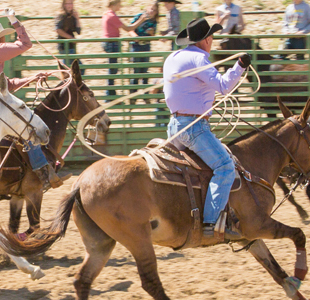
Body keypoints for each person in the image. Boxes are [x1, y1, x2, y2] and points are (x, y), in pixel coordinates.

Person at [163, 18, 250, 237]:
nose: (212, 41)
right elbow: (223, 86)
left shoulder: (173, 57)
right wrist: (239, 66)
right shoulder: (199, 58)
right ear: (207, 39)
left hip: (174, 126)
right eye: (211, 37)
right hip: (194, 128)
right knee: (224, 166)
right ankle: (210, 223)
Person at [0, 8, 68, 189]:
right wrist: (13, 19)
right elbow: (25, 44)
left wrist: (32, 78)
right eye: (4, 36)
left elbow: (7, 84)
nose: (5, 39)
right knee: (26, 124)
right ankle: (44, 172)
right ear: (0, 38)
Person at [101, 0, 153, 96]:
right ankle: (109, 94)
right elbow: (128, 28)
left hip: (109, 43)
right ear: (114, 4)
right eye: (119, 4)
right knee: (113, 70)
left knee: (112, 69)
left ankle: (110, 93)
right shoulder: (112, 16)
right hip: (112, 43)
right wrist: (141, 20)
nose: (120, 7)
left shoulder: (106, 14)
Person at [129, 4, 159, 91]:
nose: (152, 12)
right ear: (147, 8)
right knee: (136, 71)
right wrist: (135, 36)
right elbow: (130, 29)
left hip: (146, 45)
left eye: (155, 10)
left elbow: (153, 36)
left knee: (145, 70)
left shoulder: (154, 21)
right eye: (151, 9)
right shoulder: (139, 16)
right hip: (136, 46)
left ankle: (145, 95)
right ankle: (133, 95)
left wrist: (151, 33)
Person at [55, 0, 83, 74]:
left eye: (71, 3)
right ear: (64, 5)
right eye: (67, 3)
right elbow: (58, 30)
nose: (69, 5)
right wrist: (71, 38)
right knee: (69, 70)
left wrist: (77, 19)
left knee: (78, 69)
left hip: (71, 46)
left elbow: (78, 31)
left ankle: (74, 84)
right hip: (64, 46)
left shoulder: (72, 15)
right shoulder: (60, 16)